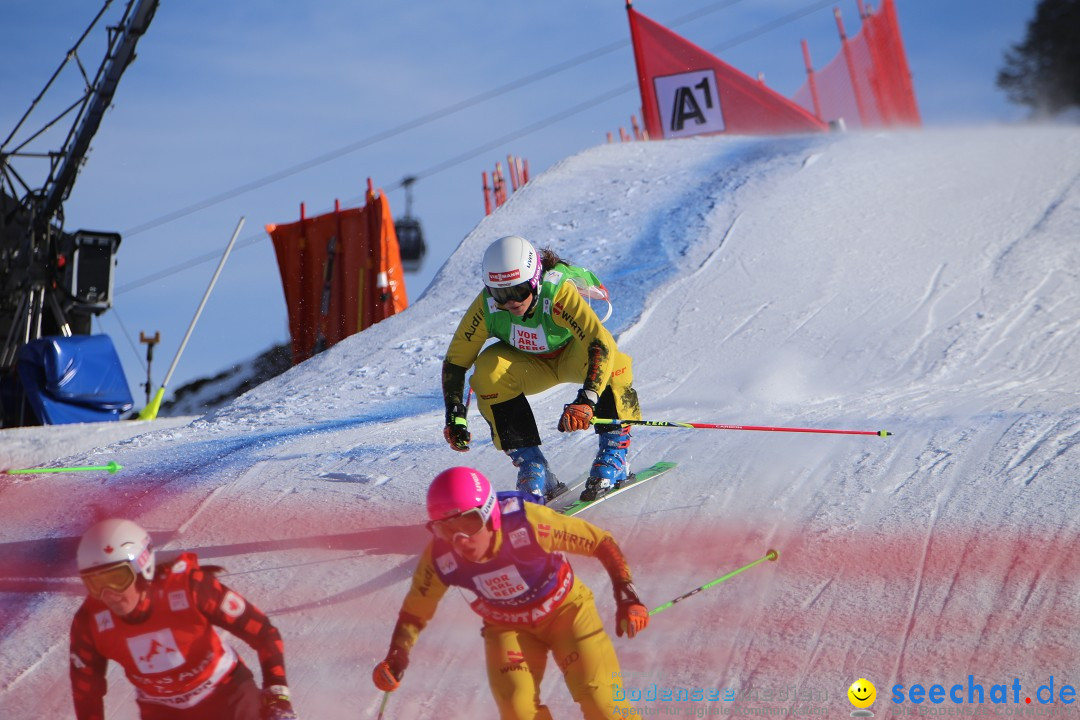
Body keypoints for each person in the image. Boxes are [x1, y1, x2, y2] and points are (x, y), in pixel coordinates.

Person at [372, 466, 649, 720]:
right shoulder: (441, 558)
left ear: (491, 513)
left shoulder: (528, 523)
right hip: (507, 628)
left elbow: (599, 542)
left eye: (469, 523)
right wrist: (397, 656)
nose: (461, 540)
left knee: (602, 703)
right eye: (445, 529)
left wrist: (627, 595)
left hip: (566, 611)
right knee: (518, 711)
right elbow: (415, 612)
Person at [442, 234, 643, 503]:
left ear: (535, 281)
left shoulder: (557, 292)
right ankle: (533, 466)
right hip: (530, 366)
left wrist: (587, 400)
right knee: (488, 370)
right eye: (501, 294)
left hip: (572, 356)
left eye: (519, 291)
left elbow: (599, 342)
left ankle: (614, 453)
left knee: (612, 360)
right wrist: (455, 416)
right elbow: (456, 361)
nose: (511, 302)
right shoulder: (488, 306)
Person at [69, 518, 299, 720]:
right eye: (95, 584)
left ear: (143, 568)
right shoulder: (89, 622)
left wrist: (278, 697)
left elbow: (263, 632)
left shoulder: (190, 588)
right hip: (161, 710)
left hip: (227, 693)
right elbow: (85, 688)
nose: (109, 595)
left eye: (117, 578)